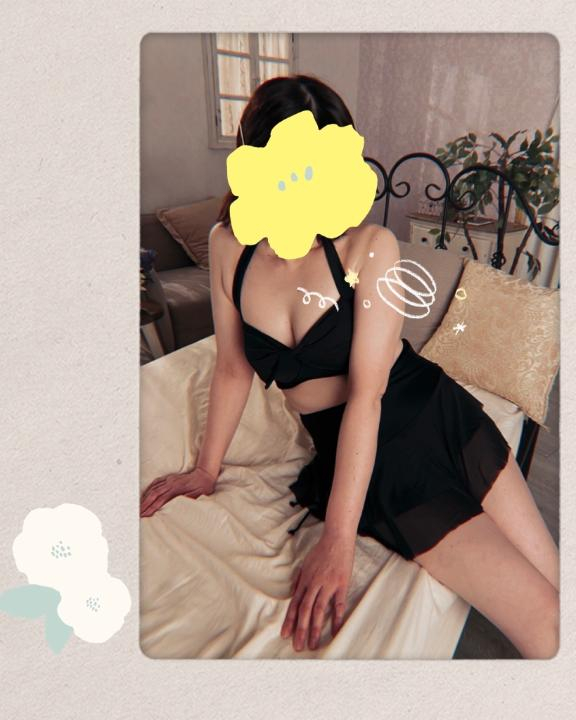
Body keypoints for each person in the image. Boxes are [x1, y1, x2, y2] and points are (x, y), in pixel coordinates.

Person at [140, 74, 559, 659]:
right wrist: (206, 471)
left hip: (433, 410)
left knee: (556, 591)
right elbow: (233, 368)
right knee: (544, 619)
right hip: (380, 461)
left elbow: (368, 393)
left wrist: (337, 539)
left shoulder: (368, 247)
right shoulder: (228, 245)